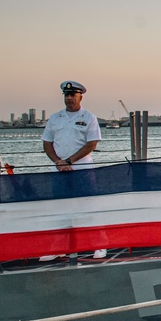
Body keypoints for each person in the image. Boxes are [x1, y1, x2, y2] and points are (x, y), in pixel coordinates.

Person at [40, 80, 105, 258]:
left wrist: (69, 160)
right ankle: (59, 247)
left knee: (88, 207)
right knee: (60, 209)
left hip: (82, 169)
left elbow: (91, 144)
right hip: (60, 170)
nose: (69, 98)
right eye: (66, 95)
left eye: (73, 95)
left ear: (80, 97)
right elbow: (47, 143)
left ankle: (99, 245)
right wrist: (58, 162)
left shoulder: (89, 118)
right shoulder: (55, 118)